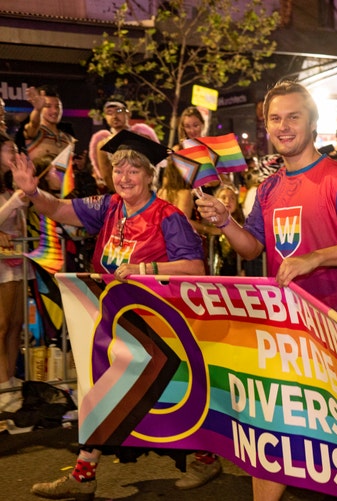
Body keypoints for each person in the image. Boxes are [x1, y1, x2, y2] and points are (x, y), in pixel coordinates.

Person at [195, 81, 337, 501]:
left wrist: (317, 258)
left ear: (312, 122)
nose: (283, 126)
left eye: (293, 116)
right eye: (275, 119)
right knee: (273, 431)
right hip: (287, 332)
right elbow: (253, 249)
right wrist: (226, 222)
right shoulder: (268, 188)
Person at [11, 130, 222, 499]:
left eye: (133, 170)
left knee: (122, 392)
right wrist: (31, 193)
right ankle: (201, 458)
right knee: (137, 395)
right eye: (118, 169)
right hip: (112, 324)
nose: (124, 177)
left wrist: (147, 270)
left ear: (149, 175)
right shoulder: (108, 207)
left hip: (156, 327)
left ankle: (87, 474)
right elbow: (59, 210)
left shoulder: (167, 217)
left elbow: (195, 266)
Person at [0, 132, 29, 412]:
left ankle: (10, 379)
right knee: (2, 324)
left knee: (16, 325)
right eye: (9, 149)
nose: (14, 154)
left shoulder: (11, 186)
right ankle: (3, 384)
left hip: (19, 261)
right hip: (2, 266)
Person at [21, 86, 75, 168]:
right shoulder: (35, 132)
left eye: (57, 106)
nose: (55, 111)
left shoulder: (69, 140)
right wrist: (37, 110)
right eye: (48, 106)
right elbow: (34, 123)